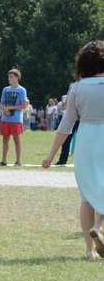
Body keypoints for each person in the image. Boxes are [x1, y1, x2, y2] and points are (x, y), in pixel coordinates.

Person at [43, 40, 104, 258]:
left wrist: (51, 154)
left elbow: (66, 125)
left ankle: (89, 250)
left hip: (86, 140)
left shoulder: (77, 87)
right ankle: (98, 225)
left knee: (86, 197)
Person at [0, 69, 28, 166]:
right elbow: (1, 103)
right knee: (5, 139)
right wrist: (5, 109)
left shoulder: (22, 90)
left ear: (17, 78)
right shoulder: (5, 89)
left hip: (16, 119)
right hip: (5, 119)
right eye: (8, 77)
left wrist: (11, 108)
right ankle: (4, 161)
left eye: (11, 77)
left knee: (17, 139)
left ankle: (18, 161)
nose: (9, 79)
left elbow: (23, 105)